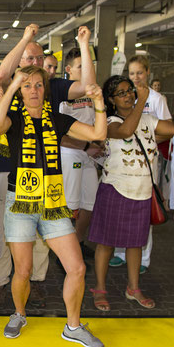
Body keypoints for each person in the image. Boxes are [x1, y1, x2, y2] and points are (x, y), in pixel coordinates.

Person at [0, 65, 107, 347]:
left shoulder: (57, 118)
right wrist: (13, 82)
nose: (34, 91)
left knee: (77, 267)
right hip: (20, 205)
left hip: (53, 204)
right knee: (23, 270)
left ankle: (74, 326)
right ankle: (19, 313)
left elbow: (98, 133)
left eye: (39, 85)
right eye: (27, 86)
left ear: (46, 89)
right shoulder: (13, 119)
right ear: (20, 91)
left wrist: (100, 103)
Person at [0, 24, 96, 308]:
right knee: (6, 234)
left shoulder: (53, 86)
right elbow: (1, 77)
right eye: (29, 58)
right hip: (12, 171)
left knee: (39, 242)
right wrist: (26, 39)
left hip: (48, 179)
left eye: (40, 59)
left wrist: (85, 46)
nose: (36, 65)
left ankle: (33, 282)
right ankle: (1, 282)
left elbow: (88, 87)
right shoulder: (12, 84)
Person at [88, 77, 174, 312]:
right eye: (121, 93)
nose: (128, 95)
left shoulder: (147, 119)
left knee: (136, 244)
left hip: (142, 191)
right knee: (106, 243)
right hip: (115, 189)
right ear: (111, 100)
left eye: (130, 91)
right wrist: (142, 101)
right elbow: (124, 131)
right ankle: (100, 289)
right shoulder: (108, 121)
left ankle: (133, 288)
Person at [110, 55, 172, 273]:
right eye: (132, 73)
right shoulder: (127, 96)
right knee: (123, 208)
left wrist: (150, 144)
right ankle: (119, 252)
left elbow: (168, 128)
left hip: (146, 163)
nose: (135, 77)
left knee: (146, 209)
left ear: (148, 73)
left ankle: (144, 258)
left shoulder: (156, 99)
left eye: (140, 73)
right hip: (124, 163)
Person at [59, 48, 102, 259]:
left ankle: (78, 241)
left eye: (88, 65)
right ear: (68, 70)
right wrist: (85, 147)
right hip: (70, 154)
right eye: (80, 66)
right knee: (70, 206)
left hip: (90, 154)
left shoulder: (93, 93)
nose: (86, 70)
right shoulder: (62, 95)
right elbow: (58, 133)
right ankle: (64, 251)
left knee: (90, 204)